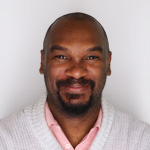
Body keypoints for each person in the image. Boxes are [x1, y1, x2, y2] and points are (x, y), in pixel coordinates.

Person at [0, 12, 150, 150]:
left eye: (91, 57)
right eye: (62, 57)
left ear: (108, 63)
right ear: (42, 61)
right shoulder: (5, 140)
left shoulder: (142, 140)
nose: (77, 72)